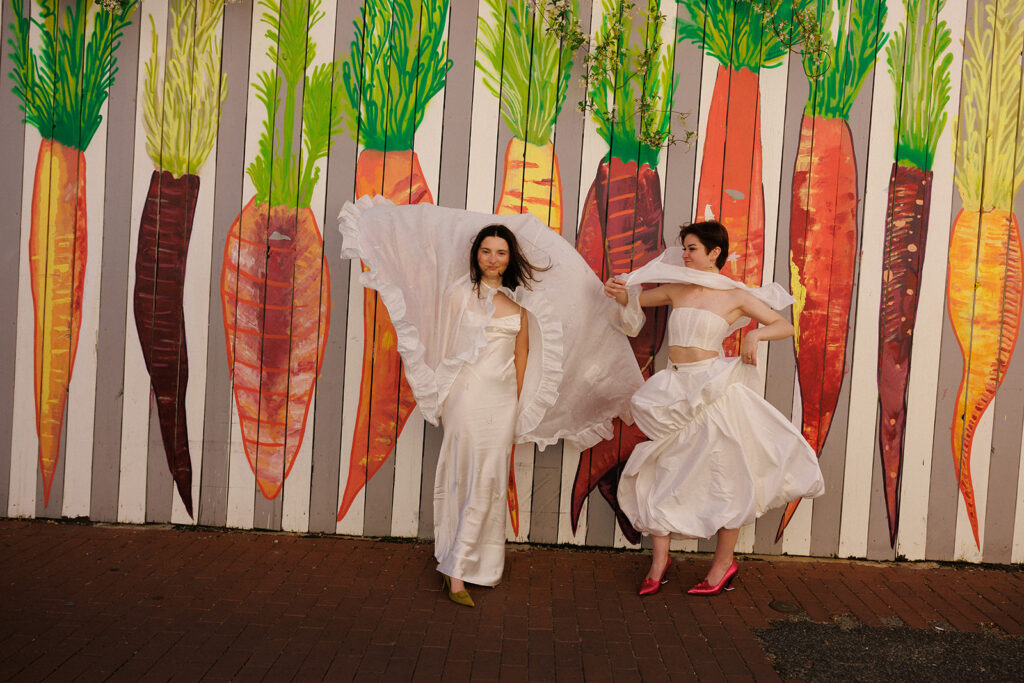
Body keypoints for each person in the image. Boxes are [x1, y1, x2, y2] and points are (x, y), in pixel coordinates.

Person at [339, 196, 643, 607]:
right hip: (465, 394)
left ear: (509, 257)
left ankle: (479, 565)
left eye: (501, 252)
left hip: (502, 400)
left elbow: (522, 356)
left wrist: (517, 403)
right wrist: (442, 394)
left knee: (491, 477)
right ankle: (455, 570)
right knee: (464, 474)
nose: (493, 258)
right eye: (486, 251)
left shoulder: (522, 304)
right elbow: (443, 345)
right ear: (476, 255)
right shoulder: (457, 296)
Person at [604, 220, 824, 597]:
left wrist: (754, 333)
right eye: (685, 248)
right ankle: (659, 562)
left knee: (726, 474)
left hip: (713, 391)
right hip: (675, 389)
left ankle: (723, 564)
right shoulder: (678, 289)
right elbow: (633, 303)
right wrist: (618, 291)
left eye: (691, 248)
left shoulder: (734, 295)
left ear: (714, 253)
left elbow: (782, 325)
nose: (684, 254)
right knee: (661, 471)